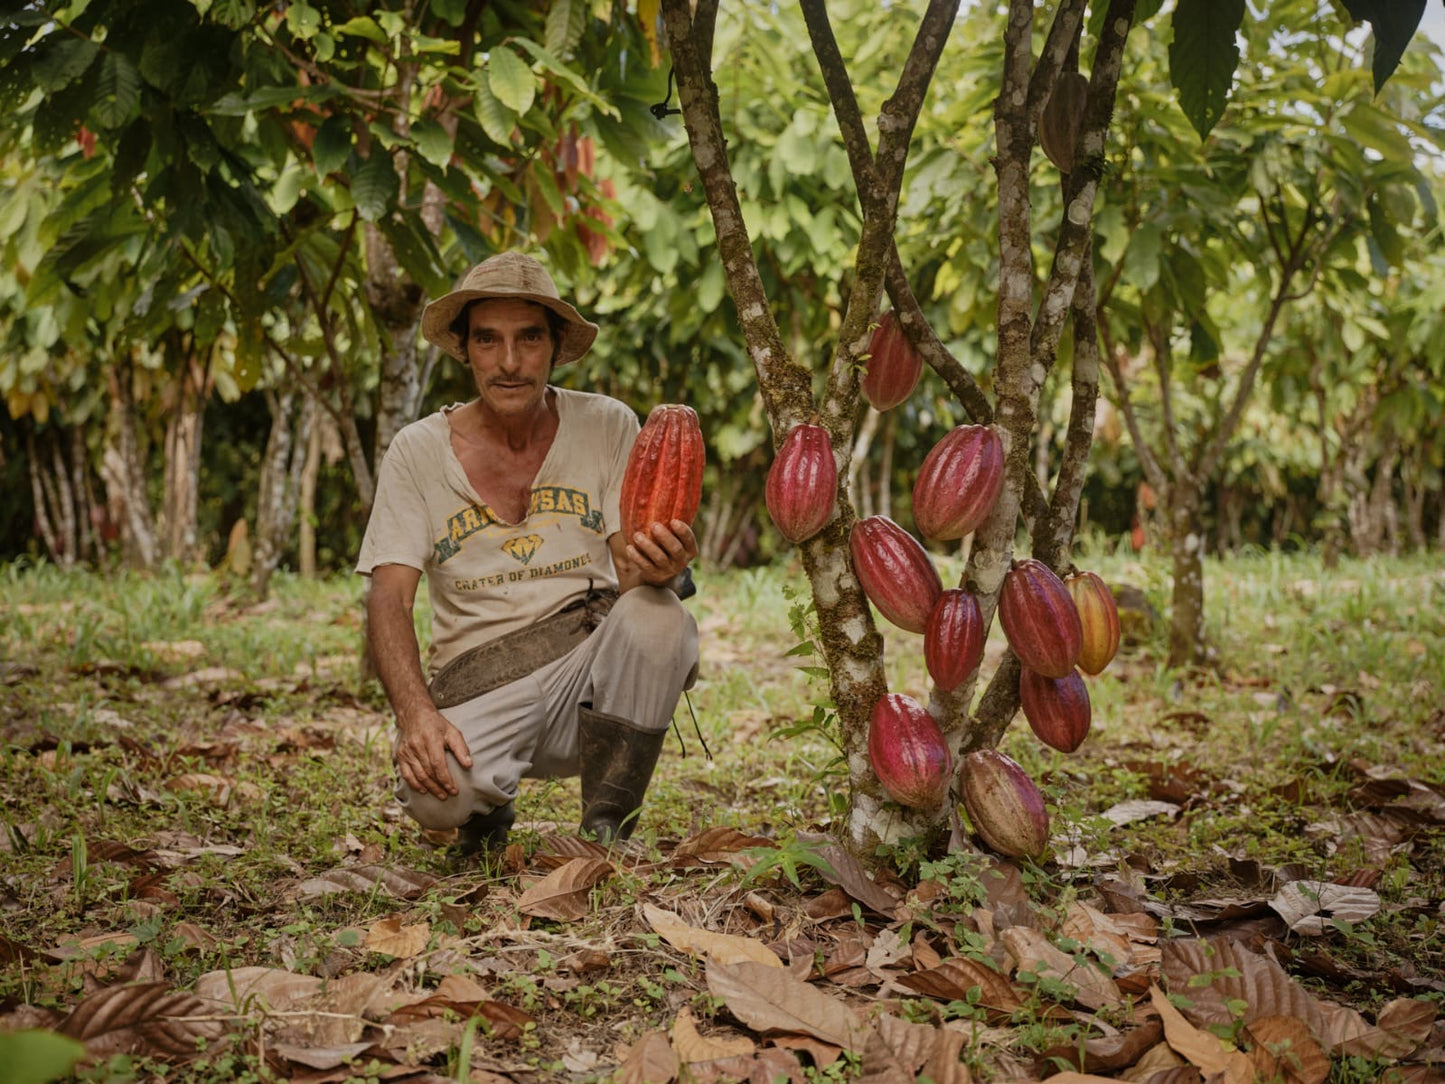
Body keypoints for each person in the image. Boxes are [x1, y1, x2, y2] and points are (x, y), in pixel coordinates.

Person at [356, 252, 700, 854]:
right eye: (488, 340)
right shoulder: (416, 451)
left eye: (528, 338)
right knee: (438, 800)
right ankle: (486, 813)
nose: (509, 363)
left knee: (658, 617)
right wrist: (416, 715)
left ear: (556, 345)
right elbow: (388, 596)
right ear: (464, 348)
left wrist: (666, 568)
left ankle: (607, 828)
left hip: (586, 672)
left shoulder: (607, 425)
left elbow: (632, 571)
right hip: (480, 678)